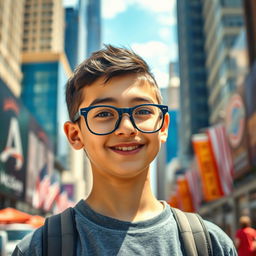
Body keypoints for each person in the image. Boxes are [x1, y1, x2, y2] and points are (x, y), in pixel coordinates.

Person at [13, 45, 237, 255]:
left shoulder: (211, 244)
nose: (127, 128)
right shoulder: (38, 248)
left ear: (164, 126)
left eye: (142, 111)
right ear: (75, 134)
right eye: (103, 114)